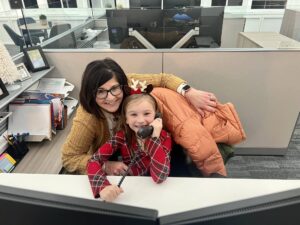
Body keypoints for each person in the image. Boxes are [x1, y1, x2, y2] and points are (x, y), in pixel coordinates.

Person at [62, 58, 245, 176]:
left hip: (151, 142)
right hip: (120, 154)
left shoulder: (129, 81)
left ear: (123, 85)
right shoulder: (88, 117)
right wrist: (105, 166)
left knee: (176, 177)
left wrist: (189, 92)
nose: (110, 97)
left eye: (114, 89)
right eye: (100, 92)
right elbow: (69, 157)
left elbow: (164, 78)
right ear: (90, 94)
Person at [87, 83, 172, 201]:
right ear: (126, 119)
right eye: (133, 115)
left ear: (156, 115)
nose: (141, 120)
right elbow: (94, 160)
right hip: (130, 189)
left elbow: (159, 177)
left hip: (155, 192)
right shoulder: (122, 136)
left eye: (147, 113)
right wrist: (102, 187)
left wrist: (154, 138)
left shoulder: (164, 137)